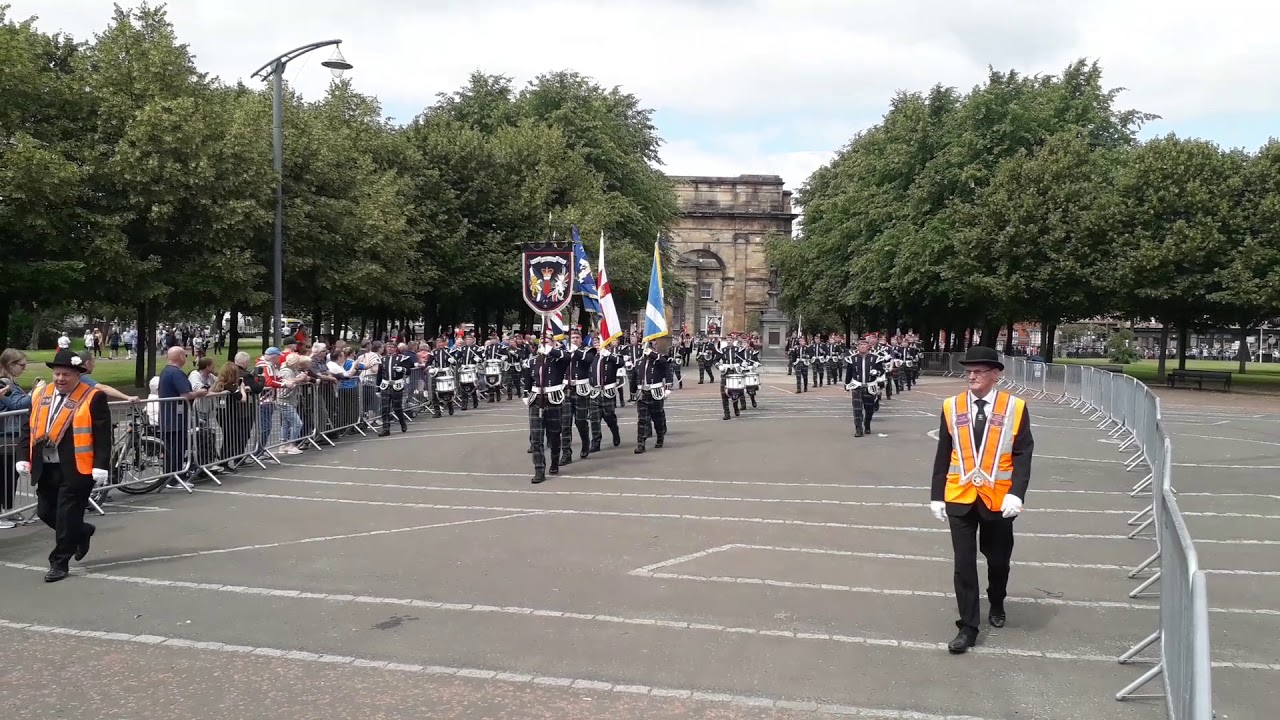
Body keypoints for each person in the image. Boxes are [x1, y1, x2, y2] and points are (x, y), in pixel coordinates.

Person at [929, 346, 1034, 654]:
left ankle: (997, 599)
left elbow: (1023, 452)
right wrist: (936, 496)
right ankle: (968, 626)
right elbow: (943, 453)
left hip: (997, 499)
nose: (972, 376)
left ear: (995, 375)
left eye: (978, 372)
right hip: (959, 495)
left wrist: (1017, 491)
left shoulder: (1014, 407)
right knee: (963, 564)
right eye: (969, 371)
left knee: (998, 560)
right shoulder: (952, 406)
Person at [15, 349, 112, 582]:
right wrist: (23, 456)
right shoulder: (41, 393)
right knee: (45, 512)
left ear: (78, 374)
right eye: (57, 373)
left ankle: (59, 562)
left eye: (66, 374)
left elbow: (102, 435)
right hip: (46, 466)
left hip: (78, 466)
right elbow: (28, 428)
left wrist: (101, 465)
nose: (60, 378)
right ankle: (82, 531)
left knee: (67, 515)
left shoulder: (92, 396)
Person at [523, 329, 566, 484]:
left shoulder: (558, 359)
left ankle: (554, 461)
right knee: (536, 437)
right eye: (542, 342)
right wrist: (525, 394)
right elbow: (527, 379)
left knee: (554, 435)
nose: (543, 344)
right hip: (536, 400)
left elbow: (567, 357)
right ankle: (539, 469)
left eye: (547, 341)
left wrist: (552, 351)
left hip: (553, 399)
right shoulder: (533, 361)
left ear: (553, 343)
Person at [633, 339, 674, 453]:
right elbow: (634, 377)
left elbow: (666, 367)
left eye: (648, 348)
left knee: (657, 418)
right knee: (642, 420)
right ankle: (641, 444)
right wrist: (633, 392)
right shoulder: (639, 362)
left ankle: (660, 437)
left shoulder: (659, 360)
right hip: (642, 393)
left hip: (655, 393)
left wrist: (668, 390)